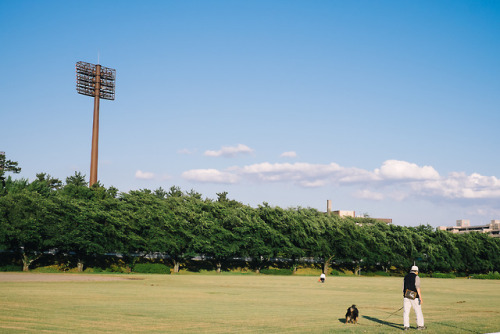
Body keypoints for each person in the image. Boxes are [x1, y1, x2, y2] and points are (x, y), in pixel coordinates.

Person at [403, 265, 425, 330]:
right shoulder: (416, 277)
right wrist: (420, 298)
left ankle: (406, 326)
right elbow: (417, 287)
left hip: (406, 295)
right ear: (416, 271)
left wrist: (405, 296)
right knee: (418, 311)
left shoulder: (405, 277)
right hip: (414, 296)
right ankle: (420, 325)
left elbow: (403, 287)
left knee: (406, 312)